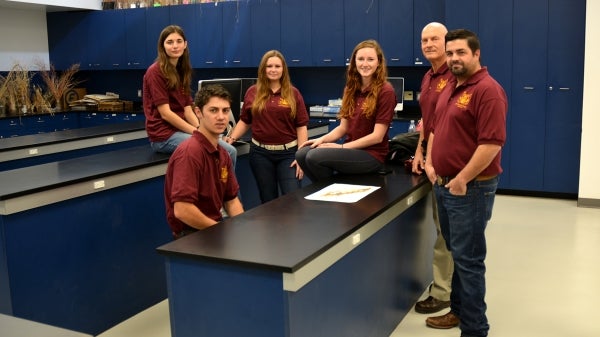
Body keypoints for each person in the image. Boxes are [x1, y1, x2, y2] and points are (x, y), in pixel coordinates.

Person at [423, 29, 507, 337]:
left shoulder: (488, 90)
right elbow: (434, 128)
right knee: (458, 253)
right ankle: (457, 311)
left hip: (470, 190)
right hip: (443, 185)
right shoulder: (451, 87)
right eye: (450, 53)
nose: (454, 58)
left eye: (461, 52)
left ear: (476, 54)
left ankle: (474, 329)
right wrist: (431, 163)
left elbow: (492, 144)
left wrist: (461, 180)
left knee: (469, 261)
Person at [295, 40, 396, 181]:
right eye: (360, 59)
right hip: (350, 149)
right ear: (354, 62)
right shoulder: (350, 89)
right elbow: (343, 128)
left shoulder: (386, 91)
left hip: (372, 155)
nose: (365, 64)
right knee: (301, 154)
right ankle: (329, 191)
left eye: (370, 59)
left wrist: (342, 147)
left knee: (314, 156)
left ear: (378, 62)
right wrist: (320, 140)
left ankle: (329, 192)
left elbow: (377, 136)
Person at [142, 25, 237, 166]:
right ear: (162, 46)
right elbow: (166, 114)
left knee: (228, 151)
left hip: (181, 132)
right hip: (164, 137)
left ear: (185, 44)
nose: (175, 46)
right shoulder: (155, 72)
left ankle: (222, 188)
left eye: (179, 41)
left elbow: (187, 109)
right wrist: (199, 133)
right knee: (227, 152)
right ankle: (224, 188)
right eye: (169, 42)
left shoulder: (181, 70)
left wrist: (202, 129)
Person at [225, 50, 309, 203]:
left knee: (293, 200)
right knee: (268, 201)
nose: (273, 69)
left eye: (277, 66)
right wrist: (231, 138)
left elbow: (301, 126)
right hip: (260, 154)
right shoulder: (252, 92)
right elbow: (245, 120)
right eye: (269, 66)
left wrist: (301, 156)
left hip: (288, 154)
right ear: (263, 69)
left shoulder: (293, 93)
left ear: (283, 69)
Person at [411, 22, 455, 316]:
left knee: (447, 231)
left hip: (449, 163)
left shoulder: (455, 73)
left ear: (446, 40)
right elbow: (427, 121)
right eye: (424, 39)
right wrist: (419, 152)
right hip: (431, 158)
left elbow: (447, 122)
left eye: (434, 39)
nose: (428, 44)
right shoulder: (428, 77)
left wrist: (432, 160)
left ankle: (443, 293)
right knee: (443, 228)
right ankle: (445, 286)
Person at [164, 84, 244, 239]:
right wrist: (220, 230)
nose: (221, 117)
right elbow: (182, 210)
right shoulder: (190, 153)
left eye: (225, 111)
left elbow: (231, 200)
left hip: (212, 230)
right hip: (191, 237)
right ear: (198, 113)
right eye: (213, 110)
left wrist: (242, 229)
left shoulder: (223, 154)